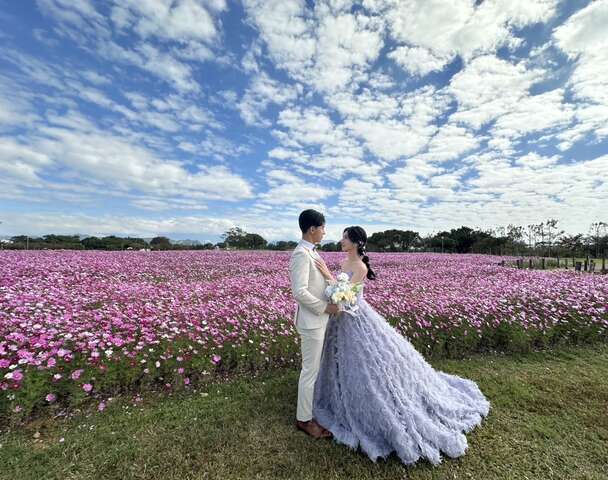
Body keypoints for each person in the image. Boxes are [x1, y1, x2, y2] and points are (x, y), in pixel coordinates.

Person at [311, 226, 491, 466]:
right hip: (342, 320)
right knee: (340, 363)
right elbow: (339, 296)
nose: (341, 241)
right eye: (343, 237)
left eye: (345, 238)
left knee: (370, 365)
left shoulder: (360, 267)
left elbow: (347, 297)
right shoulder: (345, 263)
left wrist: (326, 275)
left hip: (355, 319)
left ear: (356, 242)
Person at [288, 209, 339, 439]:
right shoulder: (301, 254)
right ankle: (304, 420)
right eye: (322, 228)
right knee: (310, 371)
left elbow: (321, 283)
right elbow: (299, 292)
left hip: (319, 319)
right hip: (312, 321)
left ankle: (308, 411)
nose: (324, 232)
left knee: (313, 369)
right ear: (312, 229)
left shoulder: (312, 253)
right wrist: (325, 307)